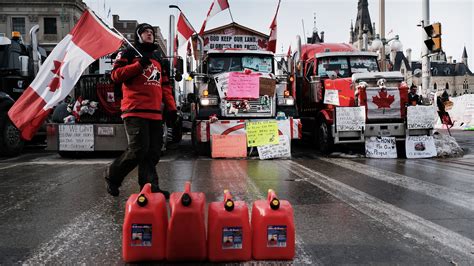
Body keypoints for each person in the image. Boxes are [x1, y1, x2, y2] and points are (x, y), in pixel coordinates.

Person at [105, 23, 177, 198]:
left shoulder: (159, 59)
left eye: (152, 32)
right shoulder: (128, 53)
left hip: (154, 112)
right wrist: (138, 66)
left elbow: (165, 86)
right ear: (138, 35)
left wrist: (172, 108)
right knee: (138, 149)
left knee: (153, 152)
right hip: (134, 110)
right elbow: (115, 76)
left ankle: (150, 187)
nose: (149, 34)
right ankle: (113, 176)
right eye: (145, 32)